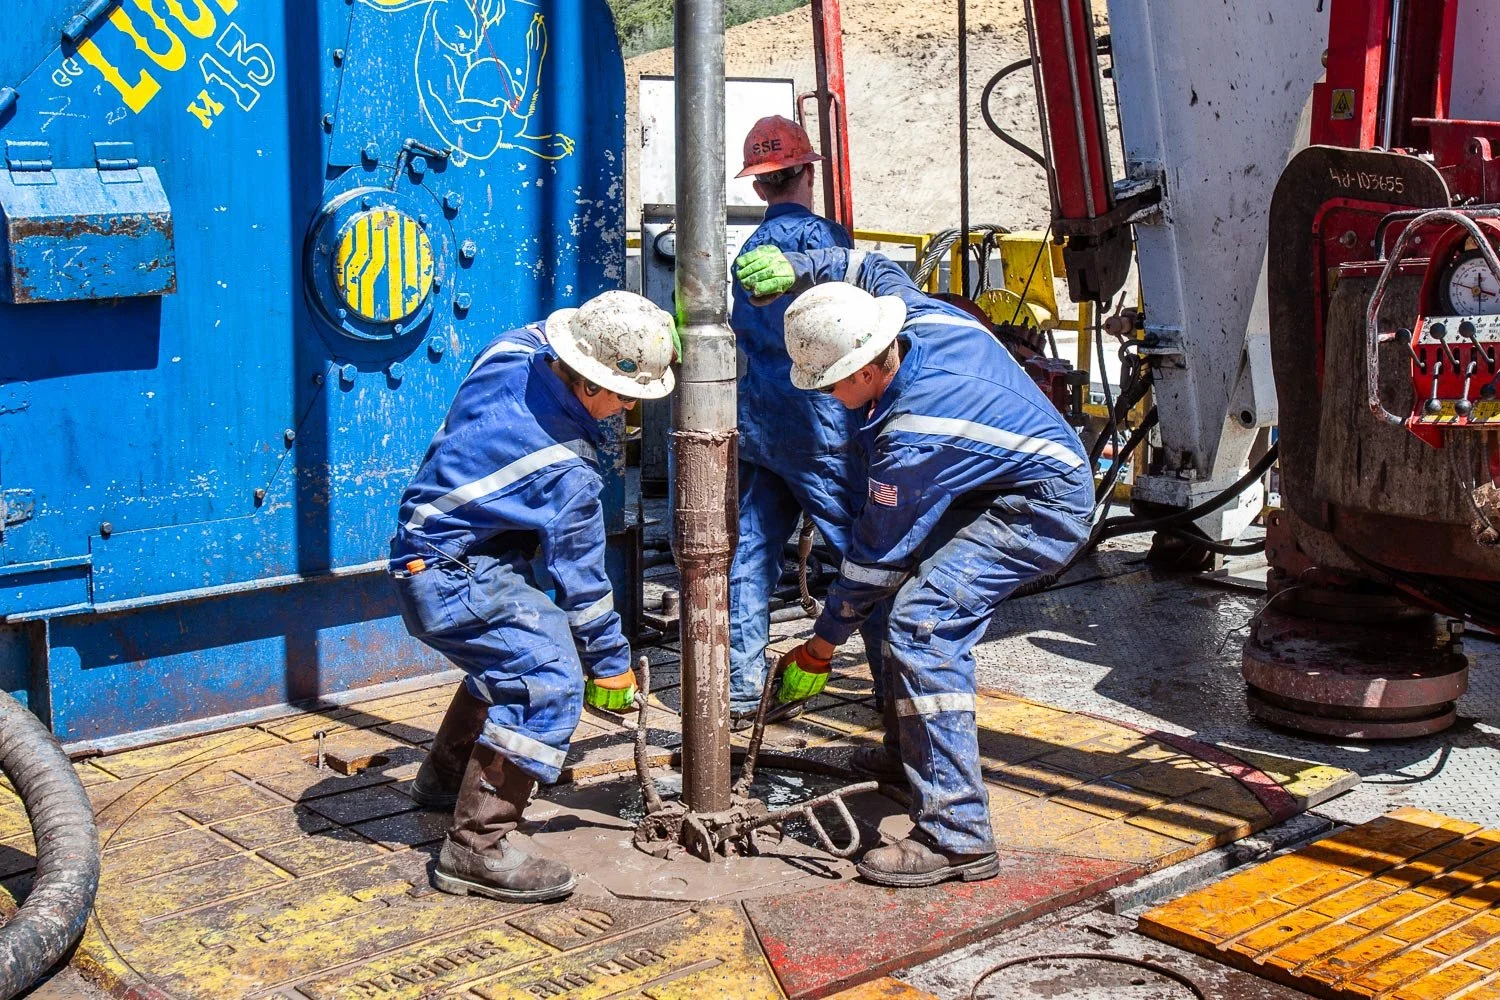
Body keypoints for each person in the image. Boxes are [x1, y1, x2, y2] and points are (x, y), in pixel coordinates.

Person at [735, 245, 1094, 887]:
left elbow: (876, 560)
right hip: (993, 482)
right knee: (900, 611)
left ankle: (957, 834)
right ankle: (909, 763)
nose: (832, 399)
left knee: (922, 625)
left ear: (871, 365)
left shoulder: (914, 431)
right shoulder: (915, 316)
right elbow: (863, 265)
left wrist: (820, 646)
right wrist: (800, 263)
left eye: (834, 385)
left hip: (1041, 506)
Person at [389, 290, 676, 902]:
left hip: (430, 552)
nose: (628, 407)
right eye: (625, 393)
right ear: (589, 380)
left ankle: (443, 782)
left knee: (508, 656)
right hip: (452, 573)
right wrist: (612, 664)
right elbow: (584, 587)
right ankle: (477, 847)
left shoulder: (512, 352)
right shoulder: (568, 470)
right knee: (547, 678)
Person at [727, 115, 886, 730]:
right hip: (820, 425)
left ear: (758, 186)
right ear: (808, 171)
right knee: (862, 551)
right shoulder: (826, 240)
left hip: (759, 424)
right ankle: (894, 688)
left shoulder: (748, 251)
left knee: (748, 559)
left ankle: (739, 694)